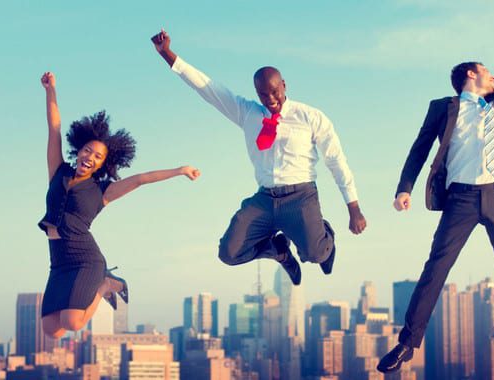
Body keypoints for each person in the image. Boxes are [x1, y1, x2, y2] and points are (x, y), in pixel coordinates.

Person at [377, 18, 494, 376]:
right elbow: (419, 150)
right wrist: (404, 189)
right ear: (470, 74)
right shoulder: (443, 108)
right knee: (435, 268)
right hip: (460, 200)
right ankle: (405, 344)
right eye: (488, 72)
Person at [150, 29, 366, 286]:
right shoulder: (247, 112)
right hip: (264, 199)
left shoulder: (311, 117)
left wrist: (353, 209)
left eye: (275, 91)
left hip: (301, 197)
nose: (271, 99)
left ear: (284, 85)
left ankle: (324, 234)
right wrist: (167, 54)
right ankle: (278, 251)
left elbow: (336, 160)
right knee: (228, 253)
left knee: (315, 254)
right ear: (256, 92)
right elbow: (206, 87)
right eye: (264, 94)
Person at [38, 72, 201, 338]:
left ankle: (104, 285)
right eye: (87, 150)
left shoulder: (101, 192)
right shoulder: (58, 171)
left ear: (104, 164)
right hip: (58, 260)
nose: (90, 157)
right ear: (78, 150)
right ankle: (103, 286)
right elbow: (54, 127)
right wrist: (50, 90)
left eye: (98, 156)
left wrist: (180, 170)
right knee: (51, 331)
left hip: (85, 260)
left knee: (73, 322)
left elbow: (140, 180)